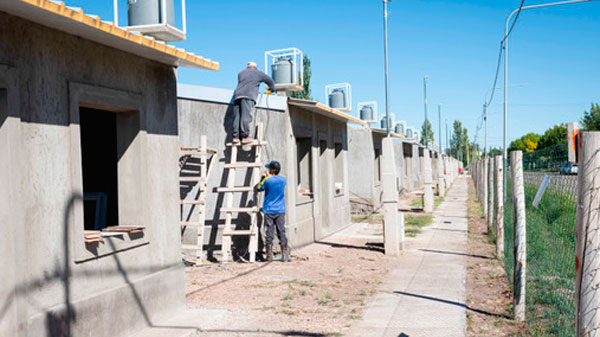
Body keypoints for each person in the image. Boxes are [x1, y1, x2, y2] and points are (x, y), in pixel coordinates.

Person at [232, 62, 276, 144]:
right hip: (248, 96)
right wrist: (272, 90)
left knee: (237, 117)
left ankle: (236, 137)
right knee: (246, 116)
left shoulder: (241, 73)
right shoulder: (258, 73)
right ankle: (245, 137)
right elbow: (270, 81)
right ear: (256, 67)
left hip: (237, 96)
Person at [257, 160, 290, 262]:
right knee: (281, 231)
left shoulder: (267, 180)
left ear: (272, 170)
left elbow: (259, 188)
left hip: (269, 210)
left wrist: (263, 177)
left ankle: (269, 256)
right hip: (280, 210)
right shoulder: (283, 180)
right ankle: (285, 255)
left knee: (269, 233)